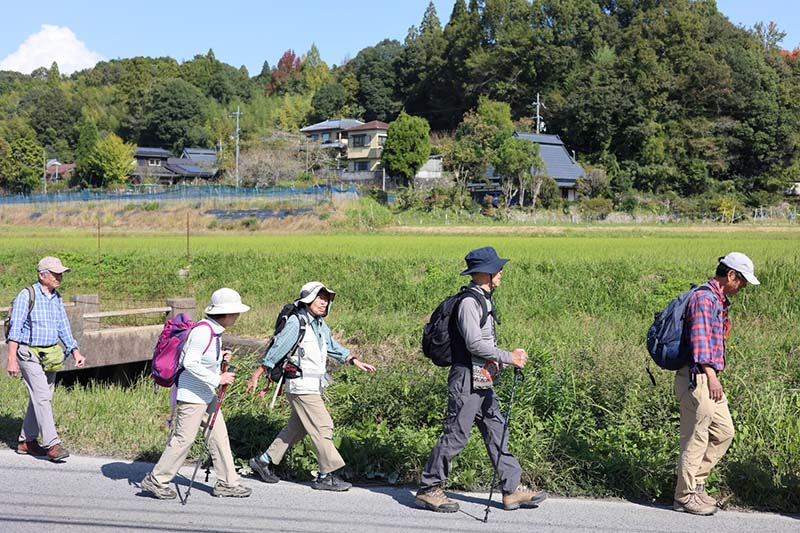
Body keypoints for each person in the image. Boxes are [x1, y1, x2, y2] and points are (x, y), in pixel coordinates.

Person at [416, 247, 547, 513]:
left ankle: (511, 490)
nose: (501, 273)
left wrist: (500, 359)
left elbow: (483, 342)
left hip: (482, 378)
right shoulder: (469, 302)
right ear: (485, 274)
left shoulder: (483, 299)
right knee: (456, 434)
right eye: (497, 269)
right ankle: (429, 488)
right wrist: (508, 356)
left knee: (497, 429)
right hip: (466, 379)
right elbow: (474, 343)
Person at [246, 281, 376, 491]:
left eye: (327, 299)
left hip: (312, 385)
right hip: (300, 385)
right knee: (323, 425)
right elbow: (278, 347)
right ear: (308, 299)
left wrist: (353, 360)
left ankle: (263, 461)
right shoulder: (297, 322)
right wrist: (259, 373)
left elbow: (333, 347)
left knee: (297, 428)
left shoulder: (319, 324)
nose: (324, 303)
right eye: (320, 297)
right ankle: (326, 475)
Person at [141, 288, 252, 500]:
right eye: (235, 312)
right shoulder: (204, 331)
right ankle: (156, 479)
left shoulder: (214, 330)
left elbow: (201, 359)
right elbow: (190, 362)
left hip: (205, 395)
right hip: (192, 397)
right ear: (225, 313)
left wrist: (221, 357)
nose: (237, 316)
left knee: (219, 437)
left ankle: (227, 483)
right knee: (184, 440)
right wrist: (217, 379)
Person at [673, 253, 758, 515]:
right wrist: (711, 377)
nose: (742, 287)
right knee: (696, 437)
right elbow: (700, 346)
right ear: (731, 275)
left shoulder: (718, 300)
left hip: (706, 377)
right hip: (697, 377)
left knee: (724, 432)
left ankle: (697, 484)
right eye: (742, 281)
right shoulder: (704, 299)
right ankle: (684, 496)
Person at [6, 256, 86, 462]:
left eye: (61, 273)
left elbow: (63, 326)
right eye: (55, 273)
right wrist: (11, 359)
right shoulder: (27, 295)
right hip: (28, 354)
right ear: (42, 275)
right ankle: (53, 444)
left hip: (50, 355)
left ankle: (26, 441)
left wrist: (75, 351)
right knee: (42, 396)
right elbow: (14, 330)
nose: (60, 277)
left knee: (41, 398)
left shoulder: (56, 297)